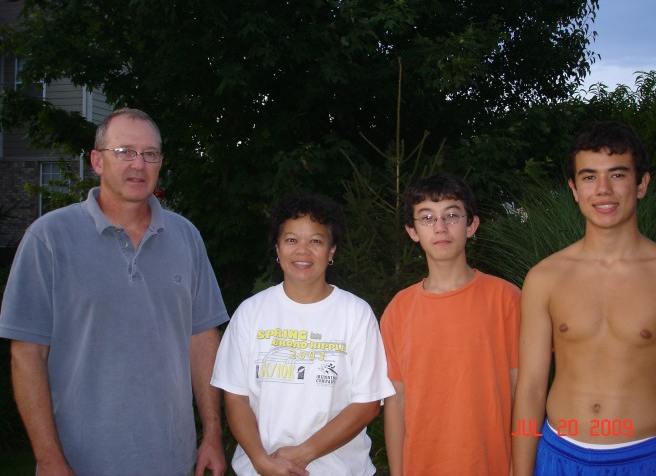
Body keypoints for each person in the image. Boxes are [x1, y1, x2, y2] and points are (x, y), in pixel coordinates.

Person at [0, 108, 230, 476]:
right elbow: (27, 355)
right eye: (124, 151)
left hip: (173, 460)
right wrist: (48, 457)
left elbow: (202, 339)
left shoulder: (186, 237)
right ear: (97, 161)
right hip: (79, 461)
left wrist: (212, 435)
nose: (138, 165)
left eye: (150, 154)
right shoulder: (49, 238)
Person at [512, 121, 656, 475]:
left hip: (643, 458)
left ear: (641, 184)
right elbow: (531, 389)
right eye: (588, 177)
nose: (603, 190)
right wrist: (520, 471)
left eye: (617, 175)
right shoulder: (544, 278)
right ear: (573, 188)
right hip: (558, 456)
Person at [211, 192, 395, 476]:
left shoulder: (356, 314)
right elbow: (236, 397)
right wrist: (262, 461)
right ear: (277, 248)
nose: (303, 251)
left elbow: (368, 403)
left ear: (331, 251)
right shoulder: (251, 313)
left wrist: (301, 455)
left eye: (316, 241)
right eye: (291, 240)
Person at [381, 173, 521, 475]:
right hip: (422, 466)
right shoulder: (398, 310)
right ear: (412, 231)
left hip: (492, 464)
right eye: (427, 217)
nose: (440, 227)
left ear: (472, 225)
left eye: (452, 215)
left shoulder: (507, 300)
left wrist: (520, 466)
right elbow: (396, 402)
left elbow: (524, 393)